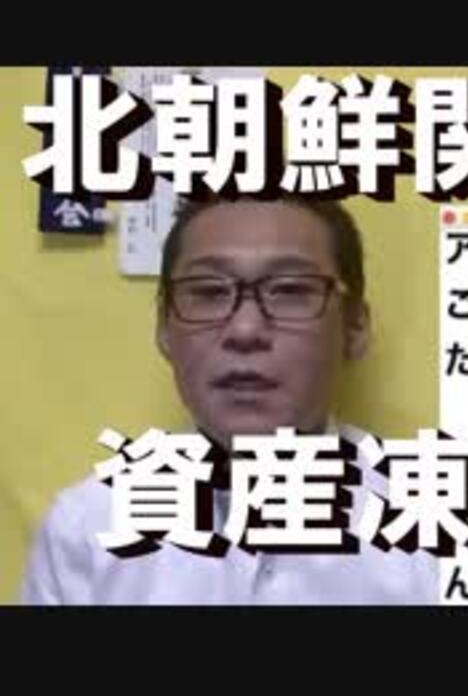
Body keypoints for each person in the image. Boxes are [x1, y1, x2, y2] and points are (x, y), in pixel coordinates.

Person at [20, 194, 438, 604]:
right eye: (208, 291)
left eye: (290, 289)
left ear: (355, 328)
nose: (245, 330)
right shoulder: (87, 531)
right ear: (164, 328)